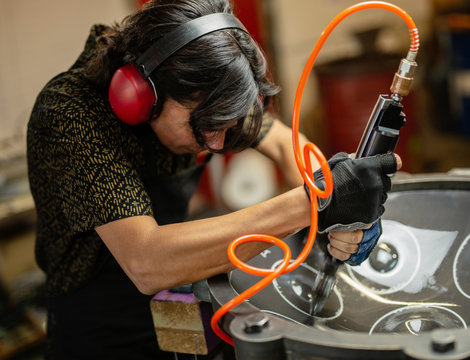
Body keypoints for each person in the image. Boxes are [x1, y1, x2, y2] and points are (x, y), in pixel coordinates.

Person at [26, 0, 401, 359]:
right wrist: (312, 201)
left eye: (228, 126)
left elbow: (286, 146)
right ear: (143, 96)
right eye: (205, 126)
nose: (217, 144)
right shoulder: (69, 114)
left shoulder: (206, 97)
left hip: (174, 299)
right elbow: (146, 262)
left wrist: (337, 201)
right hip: (99, 331)